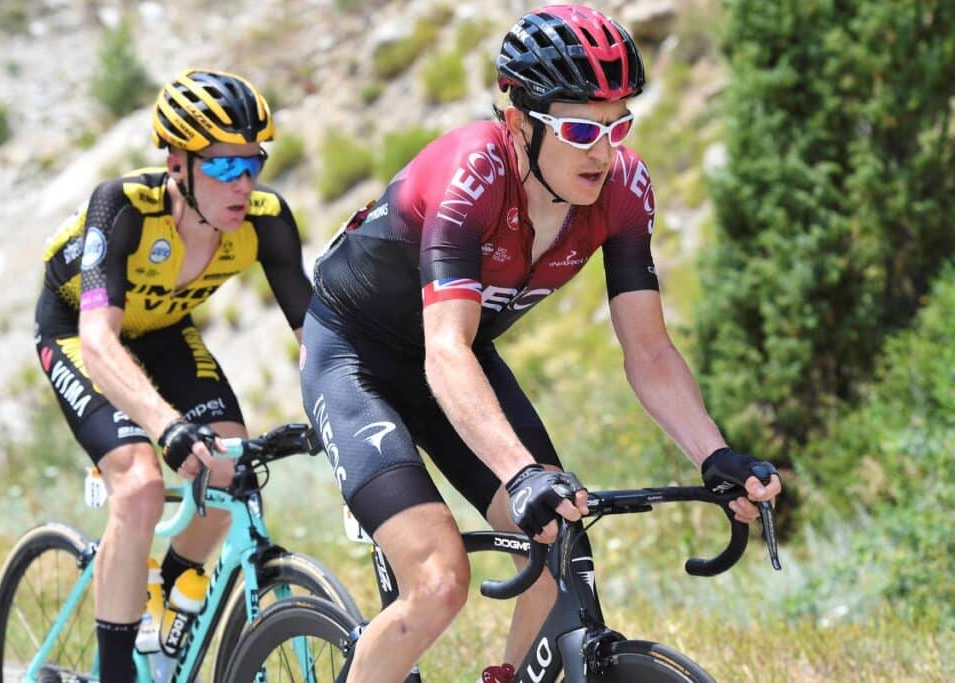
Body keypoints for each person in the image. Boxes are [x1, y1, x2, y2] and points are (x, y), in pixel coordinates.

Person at [298, 5, 782, 682]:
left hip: (458, 360)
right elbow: (445, 349)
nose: (602, 150)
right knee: (438, 580)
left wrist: (715, 453)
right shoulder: (472, 174)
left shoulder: (623, 190)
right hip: (357, 358)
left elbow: (647, 350)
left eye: (618, 125)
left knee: (560, 542)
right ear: (521, 122)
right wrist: (520, 472)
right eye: (581, 127)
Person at [34, 68, 311, 681]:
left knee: (231, 465)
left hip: (162, 329)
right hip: (80, 329)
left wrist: (344, 415)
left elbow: (315, 340)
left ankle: (171, 591)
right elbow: (99, 342)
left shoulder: (265, 220)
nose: (243, 183)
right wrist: (165, 426)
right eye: (222, 166)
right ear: (176, 163)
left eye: (253, 162)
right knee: (137, 486)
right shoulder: (124, 206)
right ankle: (116, 675)